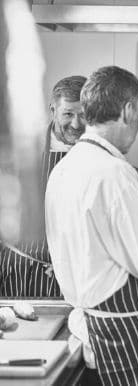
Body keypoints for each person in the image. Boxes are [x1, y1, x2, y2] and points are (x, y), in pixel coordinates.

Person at [45, 66, 138, 386]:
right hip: (130, 332)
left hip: (97, 321)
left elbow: (91, 234)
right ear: (128, 110)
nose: (137, 125)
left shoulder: (66, 168)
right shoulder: (114, 171)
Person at [0, 75, 87, 297]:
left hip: (77, 274)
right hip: (21, 270)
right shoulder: (26, 149)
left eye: (83, 115)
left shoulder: (99, 152)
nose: (76, 124)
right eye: (68, 113)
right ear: (53, 109)